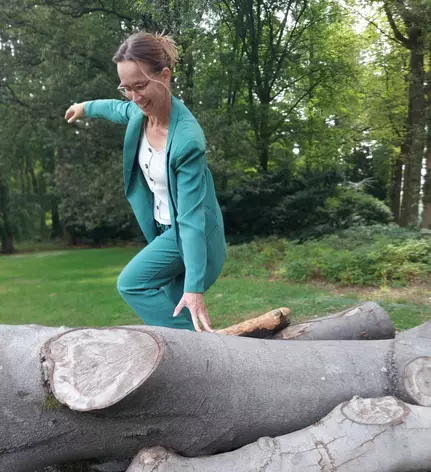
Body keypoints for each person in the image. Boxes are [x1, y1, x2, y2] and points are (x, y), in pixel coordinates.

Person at [64, 31, 226, 332]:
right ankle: (201, 350)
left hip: (194, 235)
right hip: (164, 230)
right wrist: (84, 107)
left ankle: (203, 349)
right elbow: (115, 108)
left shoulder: (187, 141)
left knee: (132, 283)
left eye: (140, 86)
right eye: (126, 88)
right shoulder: (140, 114)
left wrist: (194, 288)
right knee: (171, 311)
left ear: (164, 76)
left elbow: (191, 218)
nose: (135, 98)